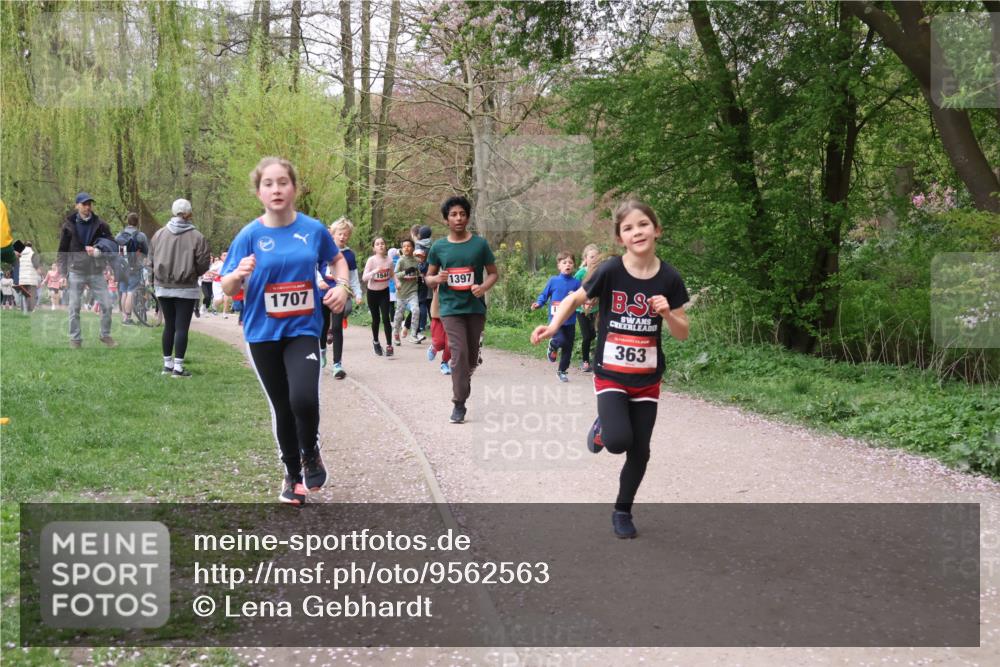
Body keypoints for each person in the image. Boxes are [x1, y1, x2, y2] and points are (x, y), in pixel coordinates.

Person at [530, 200, 689, 539]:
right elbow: (574, 299)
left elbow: (682, 332)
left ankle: (622, 510)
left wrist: (668, 315)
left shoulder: (670, 277)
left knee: (640, 450)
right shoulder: (611, 271)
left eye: (643, 224)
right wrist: (552, 327)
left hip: (647, 379)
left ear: (656, 230)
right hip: (611, 375)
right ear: (620, 238)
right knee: (618, 441)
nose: (637, 232)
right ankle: (604, 428)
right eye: (628, 228)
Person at [221, 156, 347, 507]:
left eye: (282, 182)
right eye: (268, 184)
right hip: (262, 332)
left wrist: (344, 287)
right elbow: (228, 288)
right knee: (282, 406)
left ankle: (310, 452)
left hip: (303, 328)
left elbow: (336, 259)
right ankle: (292, 475)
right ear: (259, 192)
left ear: (295, 188)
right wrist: (237, 273)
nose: (276, 189)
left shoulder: (313, 229)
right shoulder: (249, 235)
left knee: (303, 398)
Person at [426, 195, 499, 424]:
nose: (458, 218)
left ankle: (463, 379)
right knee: (458, 354)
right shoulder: (439, 247)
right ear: (446, 219)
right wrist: (437, 278)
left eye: (462, 214)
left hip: (475, 308)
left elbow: (494, 273)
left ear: (467, 217)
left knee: (470, 358)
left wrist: (483, 287)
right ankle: (459, 403)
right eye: (453, 214)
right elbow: (428, 278)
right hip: (450, 308)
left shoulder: (479, 244)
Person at [149, 199, 211, 377]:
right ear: (189, 214)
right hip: (186, 287)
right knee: (181, 327)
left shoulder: (159, 234)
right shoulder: (197, 237)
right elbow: (203, 263)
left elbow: (150, 259)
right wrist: (193, 273)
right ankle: (178, 367)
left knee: (169, 325)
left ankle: (167, 365)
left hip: (163, 286)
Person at [57, 192, 117, 348]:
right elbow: (62, 252)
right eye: (84, 204)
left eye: (89, 204)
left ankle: (105, 335)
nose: (87, 207)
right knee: (74, 306)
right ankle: (75, 339)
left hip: (96, 271)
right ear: (77, 205)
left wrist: (98, 250)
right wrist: (62, 274)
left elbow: (112, 245)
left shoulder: (101, 225)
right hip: (76, 271)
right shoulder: (68, 226)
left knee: (107, 305)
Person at [531, 251, 582, 382]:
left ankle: (562, 371)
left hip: (570, 321)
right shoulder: (553, 281)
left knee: (568, 347)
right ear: (559, 265)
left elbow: (581, 298)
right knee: (561, 340)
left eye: (570, 262)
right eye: (564, 262)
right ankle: (553, 345)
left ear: (574, 266)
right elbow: (544, 294)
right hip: (555, 321)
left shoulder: (576, 283)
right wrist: (539, 303)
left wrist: (575, 295)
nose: (567, 265)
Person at [321, 217, 363, 379]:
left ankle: (337, 364)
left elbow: (353, 277)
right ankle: (322, 350)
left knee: (337, 327)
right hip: (323, 294)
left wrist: (358, 293)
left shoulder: (349, 255)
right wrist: (318, 282)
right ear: (333, 234)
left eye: (346, 235)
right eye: (340, 234)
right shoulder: (323, 251)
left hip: (340, 292)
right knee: (323, 326)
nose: (342, 237)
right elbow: (316, 269)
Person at [362, 237, 395, 357]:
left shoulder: (389, 260)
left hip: (384, 292)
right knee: (376, 319)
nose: (380, 245)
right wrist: (374, 271)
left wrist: (397, 282)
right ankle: (376, 341)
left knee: (386, 318)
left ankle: (389, 345)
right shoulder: (371, 260)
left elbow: (392, 274)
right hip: (372, 293)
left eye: (382, 243)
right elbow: (364, 278)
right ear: (374, 248)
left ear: (385, 246)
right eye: (377, 244)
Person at [116, 212, 149, 325]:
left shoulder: (119, 235)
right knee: (130, 291)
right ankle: (128, 317)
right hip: (134, 268)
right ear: (137, 222)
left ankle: (124, 317)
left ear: (127, 221)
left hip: (121, 267)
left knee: (123, 292)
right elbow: (146, 252)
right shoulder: (140, 236)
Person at [392, 239, 424, 344]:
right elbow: (395, 274)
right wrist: (406, 272)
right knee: (399, 315)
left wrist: (420, 275)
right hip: (402, 292)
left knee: (416, 310)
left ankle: (413, 334)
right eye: (404, 246)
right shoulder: (401, 261)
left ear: (413, 248)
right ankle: (396, 333)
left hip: (412, 291)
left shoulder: (416, 260)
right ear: (402, 249)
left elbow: (419, 272)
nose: (406, 248)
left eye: (409, 246)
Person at [575, 244, 600, 372]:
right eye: (591, 257)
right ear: (586, 258)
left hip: (595, 310)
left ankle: (595, 359)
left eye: (597, 257)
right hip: (581, 310)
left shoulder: (600, 272)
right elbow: (573, 286)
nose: (594, 259)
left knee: (594, 335)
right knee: (586, 336)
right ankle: (585, 361)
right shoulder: (581, 272)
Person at [425, 278, 452, 375]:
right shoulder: (439, 269)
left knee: (451, 344)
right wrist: (437, 278)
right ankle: (434, 347)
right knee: (439, 342)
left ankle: (444, 362)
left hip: (454, 314)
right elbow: (429, 280)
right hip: (438, 315)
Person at [17, 242, 41, 312]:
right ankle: (29, 311)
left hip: (22, 279)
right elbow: (36, 266)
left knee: (24, 294)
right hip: (31, 279)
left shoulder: (20, 255)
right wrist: (41, 273)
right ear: (31, 246)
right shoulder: (32, 254)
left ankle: (23, 311)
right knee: (31, 295)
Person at [415, 246, 431, 339]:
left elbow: (423, 273)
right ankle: (418, 326)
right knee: (419, 307)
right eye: (417, 256)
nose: (419, 258)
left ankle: (421, 325)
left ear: (424, 257)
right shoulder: (416, 265)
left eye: (420, 256)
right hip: (416, 288)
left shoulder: (425, 265)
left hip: (423, 288)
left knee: (422, 306)